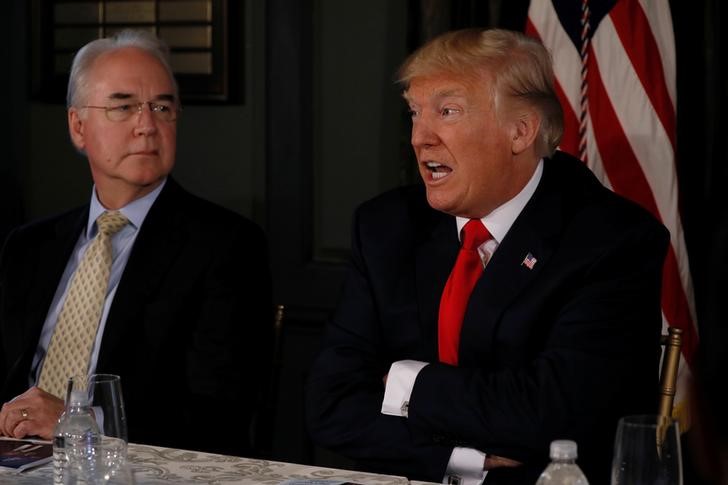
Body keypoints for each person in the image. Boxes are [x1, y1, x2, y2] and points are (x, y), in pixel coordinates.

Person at [305, 28, 668, 485]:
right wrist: (465, 456)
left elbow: (554, 416)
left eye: (447, 111)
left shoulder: (613, 241)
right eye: (415, 113)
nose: (420, 138)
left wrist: (404, 383)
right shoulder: (386, 227)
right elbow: (330, 404)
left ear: (520, 131)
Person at [0, 30, 272, 457]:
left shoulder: (226, 247)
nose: (147, 126)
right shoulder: (28, 247)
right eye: (123, 107)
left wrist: (76, 424)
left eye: (162, 107)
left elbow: (218, 415)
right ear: (77, 126)